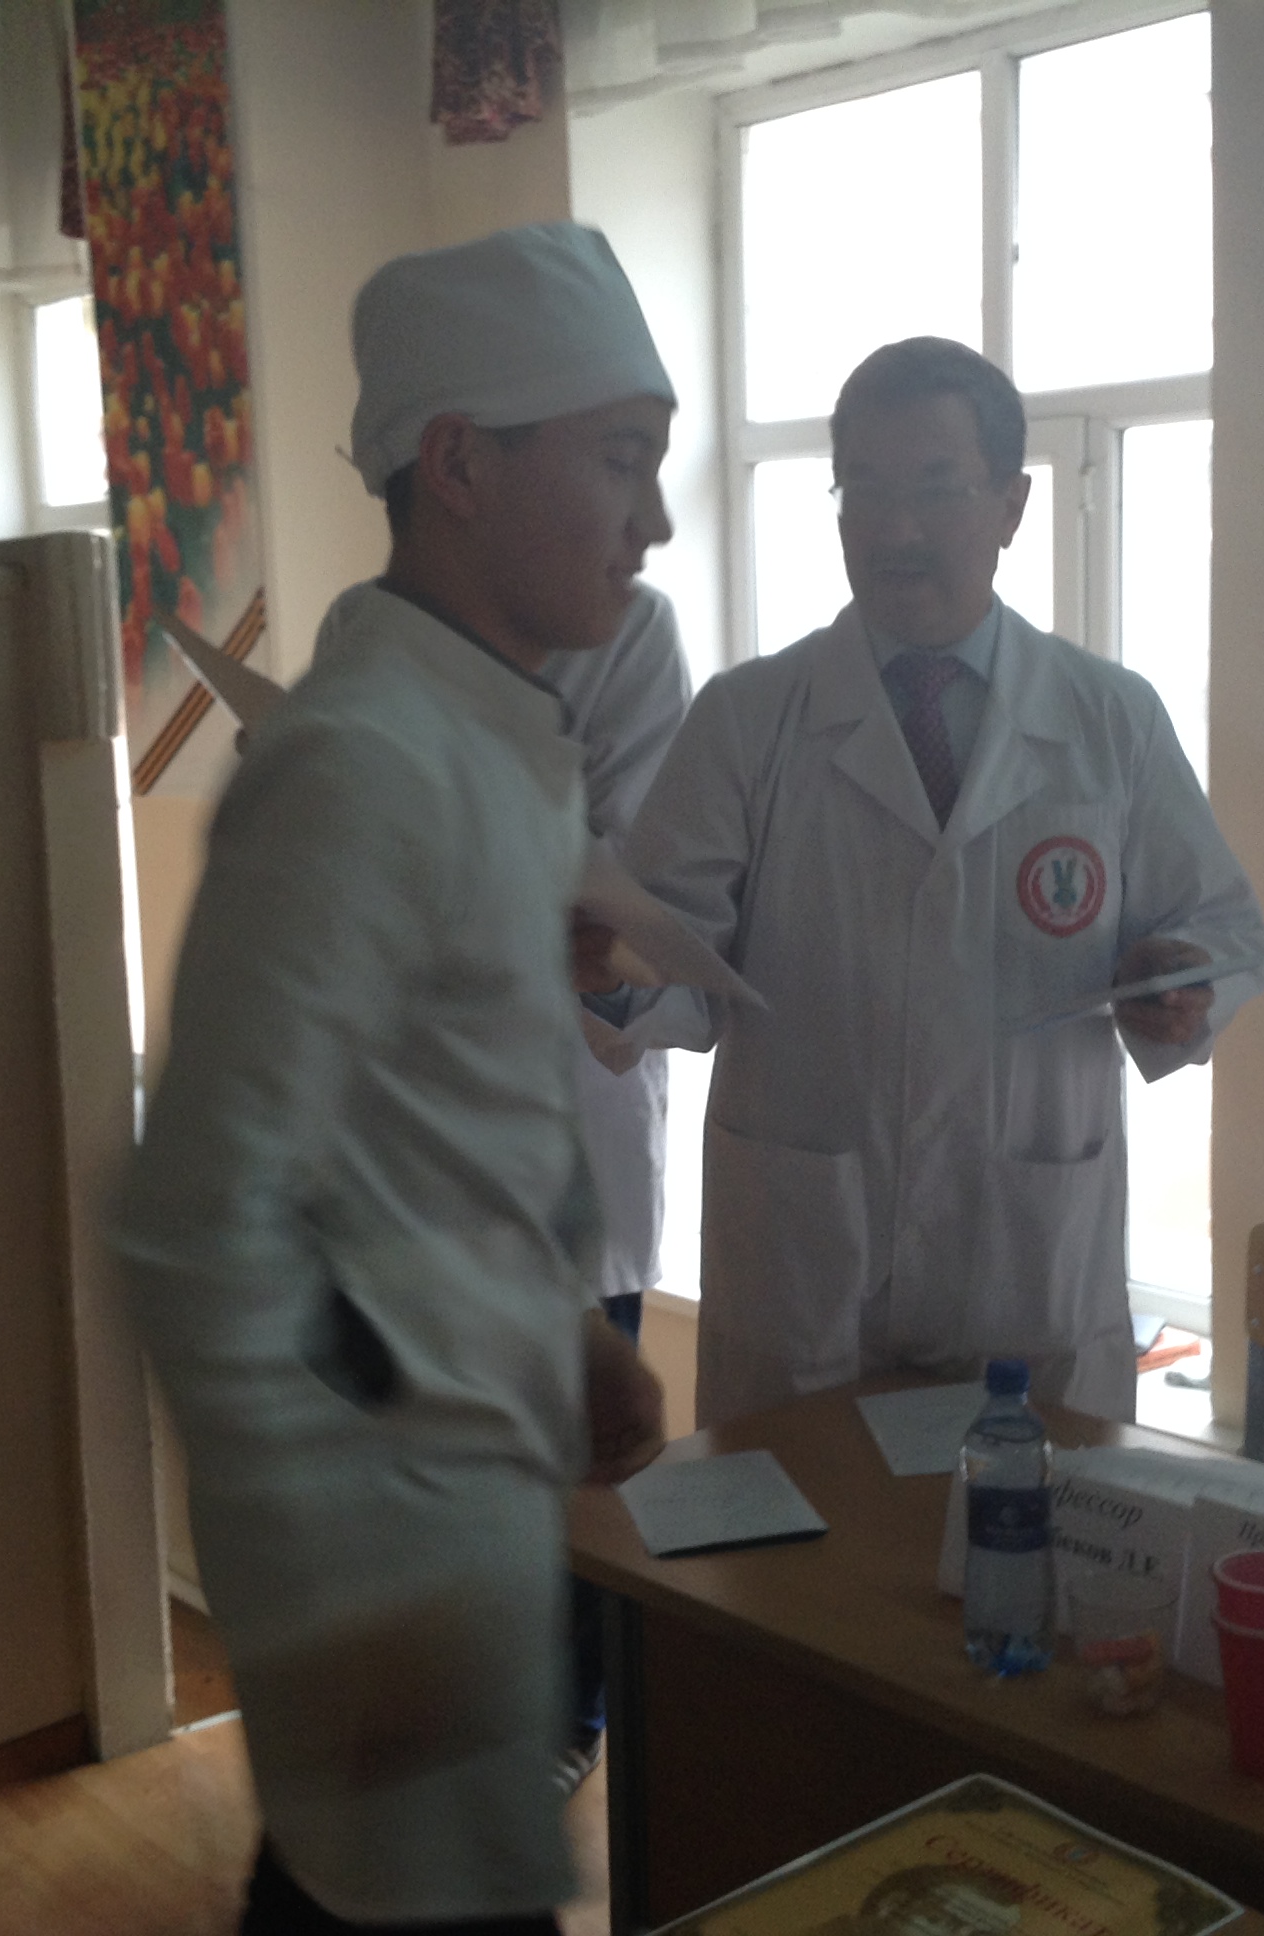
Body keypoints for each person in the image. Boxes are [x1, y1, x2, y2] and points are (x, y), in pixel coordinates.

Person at [112, 221, 672, 1936]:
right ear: (461, 467)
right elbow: (203, 1224)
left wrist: (567, 1324)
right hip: (385, 1569)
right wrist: (339, 1604)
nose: (654, 520)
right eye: (620, 461)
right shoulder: (364, 764)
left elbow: (433, 1135)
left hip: (464, 1523)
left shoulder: (499, 738)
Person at [607, 336, 1264, 1428]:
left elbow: (1223, 932)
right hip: (806, 1253)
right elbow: (673, 960)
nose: (894, 529)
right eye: (862, 488)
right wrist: (609, 971)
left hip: (1026, 1255)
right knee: (799, 1526)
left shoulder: (1109, 719)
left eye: (934, 488)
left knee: (1026, 1516)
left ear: (1012, 504)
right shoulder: (749, 717)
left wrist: (1183, 981)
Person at [544, 581, 692, 1788]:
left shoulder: (627, 628)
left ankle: (577, 1710)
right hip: (418, 1136)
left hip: (573, 1100)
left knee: (589, 1452)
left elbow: (630, 866)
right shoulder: (368, 630)